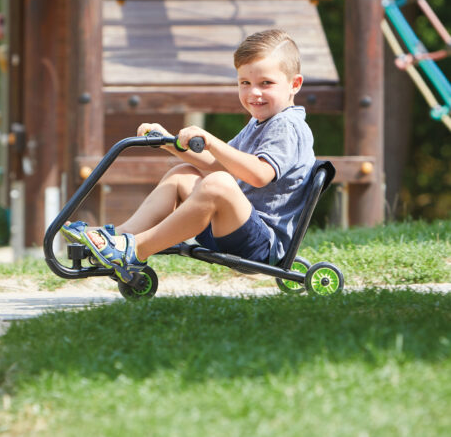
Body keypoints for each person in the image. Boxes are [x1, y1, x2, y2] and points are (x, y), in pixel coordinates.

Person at [62, 29, 316, 283]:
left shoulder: (286, 126)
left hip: (261, 245)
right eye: (245, 83)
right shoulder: (260, 122)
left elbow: (260, 175)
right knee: (182, 175)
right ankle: (122, 236)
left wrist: (212, 142)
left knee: (218, 185)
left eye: (266, 83)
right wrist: (169, 143)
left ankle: (135, 249)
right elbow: (220, 165)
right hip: (233, 230)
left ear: (294, 84)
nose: (253, 93)